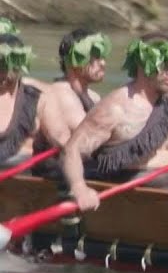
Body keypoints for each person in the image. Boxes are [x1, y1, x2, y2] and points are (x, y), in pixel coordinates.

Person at [62, 35, 168, 211]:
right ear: (143, 63)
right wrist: (79, 188)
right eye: (165, 65)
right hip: (129, 195)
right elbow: (72, 150)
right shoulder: (116, 108)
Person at [30, 29, 110, 176]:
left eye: (102, 56)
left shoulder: (94, 97)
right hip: (56, 171)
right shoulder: (60, 94)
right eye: (95, 58)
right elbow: (92, 142)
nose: (103, 63)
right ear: (76, 60)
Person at [0, 33, 49, 166]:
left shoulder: (40, 101)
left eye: (12, 64)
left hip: (22, 172)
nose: (5, 72)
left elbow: (63, 142)